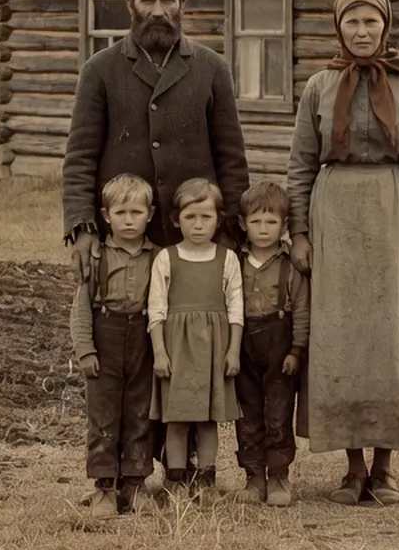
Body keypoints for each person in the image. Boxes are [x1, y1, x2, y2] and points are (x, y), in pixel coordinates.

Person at [62, 0, 250, 477]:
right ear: (131, 7)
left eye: (168, 0)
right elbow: (79, 157)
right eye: (149, 1)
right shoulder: (99, 71)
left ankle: (185, 466)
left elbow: (232, 158)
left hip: (192, 242)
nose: (159, 11)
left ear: (183, 5)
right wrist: (81, 227)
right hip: (128, 245)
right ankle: (126, 467)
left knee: (189, 347)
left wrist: (230, 233)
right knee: (133, 355)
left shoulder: (211, 68)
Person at [286, 0, 399, 506]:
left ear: (385, 26)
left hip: (396, 220)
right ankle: (351, 468)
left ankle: (385, 468)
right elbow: (299, 167)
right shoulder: (319, 86)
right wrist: (301, 234)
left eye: (371, 21)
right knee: (341, 339)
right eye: (352, 21)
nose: (362, 31)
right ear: (339, 26)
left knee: (391, 340)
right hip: (334, 220)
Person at [68, 173, 157, 519]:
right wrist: (86, 351)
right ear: (106, 216)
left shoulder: (159, 257)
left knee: (140, 412)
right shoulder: (97, 257)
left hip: (143, 338)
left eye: (136, 212)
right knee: (103, 415)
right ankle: (104, 486)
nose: (129, 220)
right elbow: (80, 309)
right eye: (121, 213)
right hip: (106, 336)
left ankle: (134, 484)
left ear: (149, 214)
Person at [147, 177, 243, 498]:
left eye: (206, 217)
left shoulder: (226, 259)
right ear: (177, 220)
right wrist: (160, 353)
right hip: (177, 351)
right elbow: (156, 310)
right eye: (190, 217)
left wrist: (233, 352)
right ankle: (175, 481)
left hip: (214, 351)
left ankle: (205, 481)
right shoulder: (166, 258)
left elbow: (236, 310)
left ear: (219, 219)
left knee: (207, 421)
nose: (199, 225)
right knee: (176, 420)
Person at [233, 180, 309, 507]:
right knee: (248, 413)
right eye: (256, 222)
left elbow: (303, 310)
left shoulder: (290, 265)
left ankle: (278, 475)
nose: (263, 230)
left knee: (277, 412)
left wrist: (296, 350)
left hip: (280, 345)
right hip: (243, 345)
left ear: (284, 225)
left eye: (271, 222)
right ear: (242, 224)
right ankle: (253, 477)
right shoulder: (234, 263)